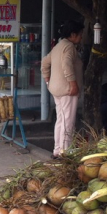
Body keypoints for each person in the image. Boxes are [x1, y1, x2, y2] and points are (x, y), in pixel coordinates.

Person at [41, 20, 85, 158]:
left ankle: (57, 150)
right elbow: (67, 64)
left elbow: (44, 62)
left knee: (61, 120)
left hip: (56, 88)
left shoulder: (58, 46)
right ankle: (65, 152)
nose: (81, 37)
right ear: (73, 34)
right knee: (68, 121)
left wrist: (47, 79)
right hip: (67, 90)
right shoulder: (69, 47)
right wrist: (73, 83)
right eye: (80, 34)